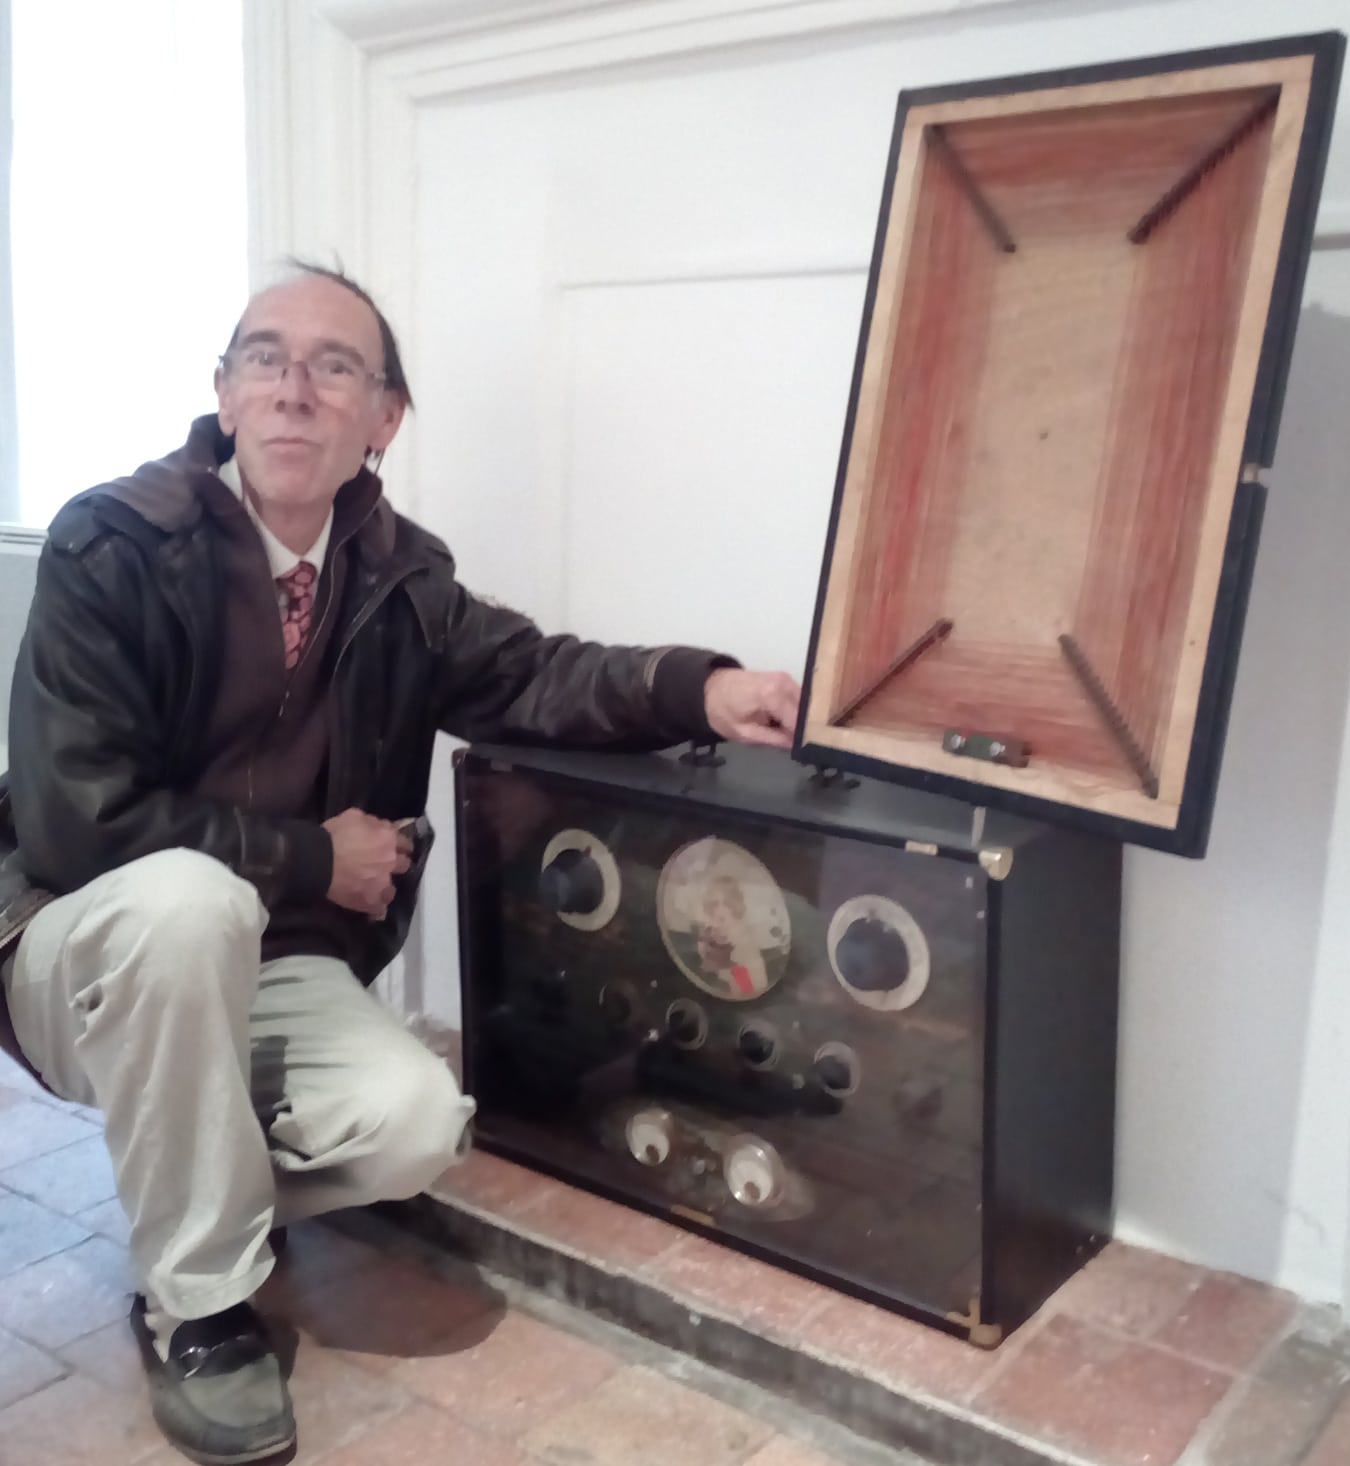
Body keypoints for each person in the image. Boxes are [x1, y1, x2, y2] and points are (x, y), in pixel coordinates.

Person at [0, 262, 801, 1466]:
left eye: (334, 367)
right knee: (186, 906)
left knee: (414, 1127)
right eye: (264, 359)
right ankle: (197, 1303)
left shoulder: (401, 575)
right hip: (84, 941)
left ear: (384, 419)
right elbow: (75, 825)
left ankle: (191, 1177)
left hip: (273, 958)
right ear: (223, 392)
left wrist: (701, 685)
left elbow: (534, 675)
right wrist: (312, 854)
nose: (293, 391)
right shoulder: (110, 543)